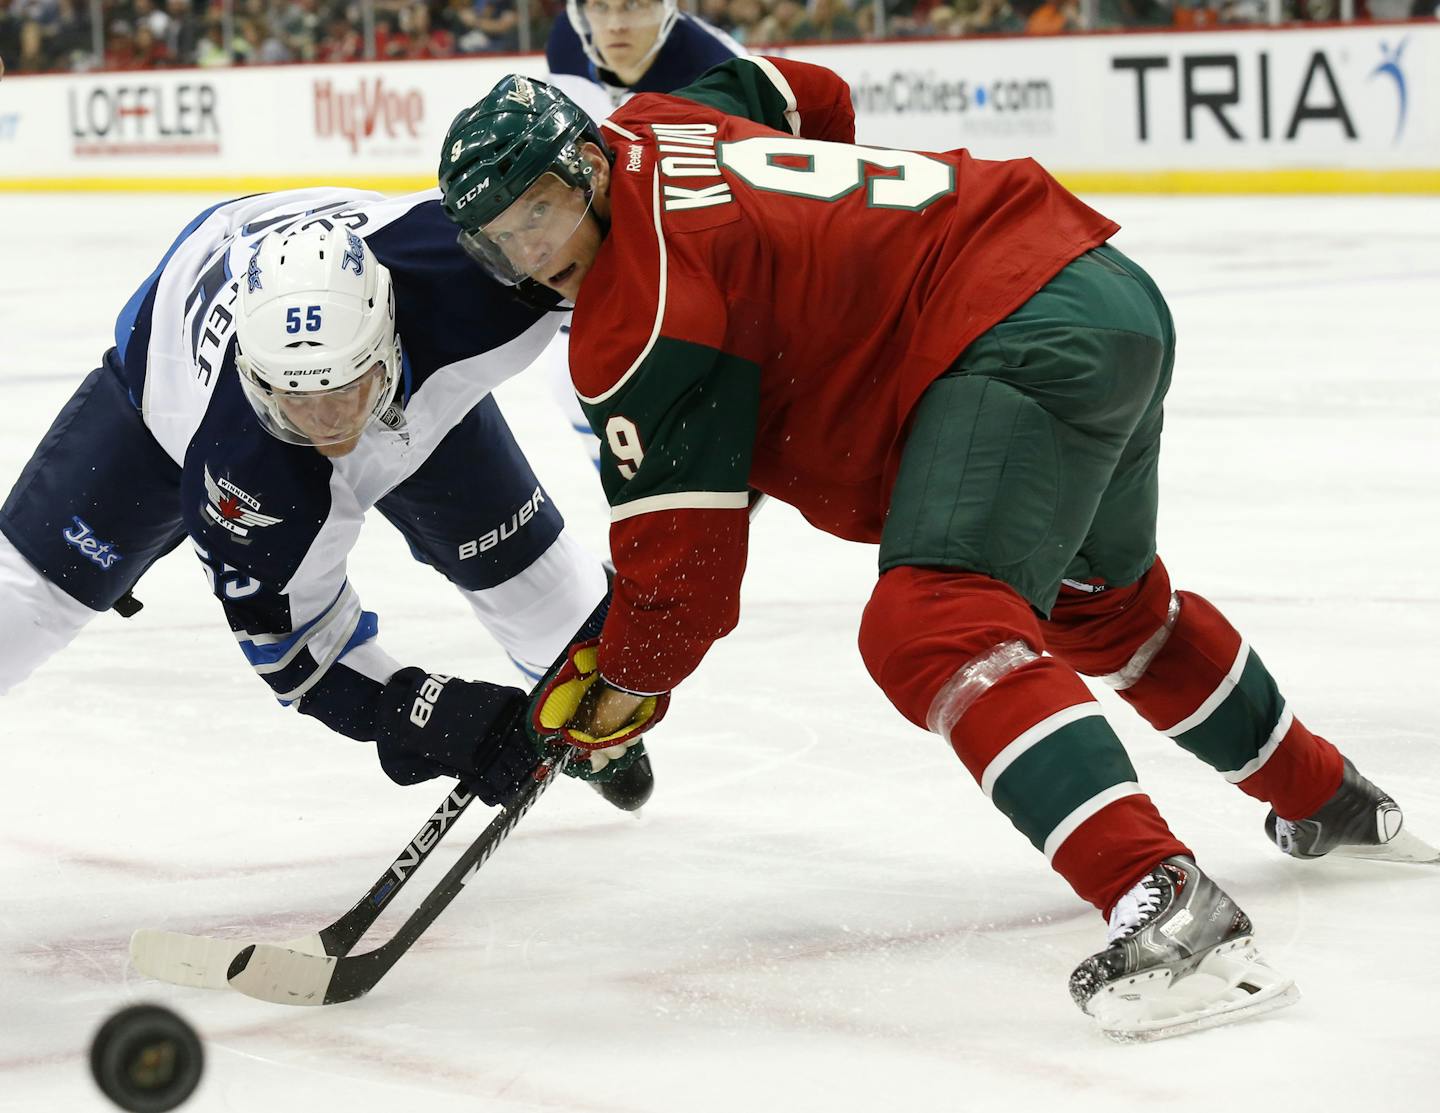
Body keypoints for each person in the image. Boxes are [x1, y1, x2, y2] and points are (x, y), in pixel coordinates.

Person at [438, 60, 1436, 1039]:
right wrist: (819, 266)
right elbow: (809, 95)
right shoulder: (659, 119)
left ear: (588, 169)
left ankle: (1173, 910)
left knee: (933, 623)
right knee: (1106, 608)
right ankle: (1333, 801)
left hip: (1007, 334)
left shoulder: (637, 318)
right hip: (1097, 288)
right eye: (504, 238)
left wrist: (622, 687)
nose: (533, 250)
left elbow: (687, 590)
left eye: (543, 210)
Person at [0, 189, 650, 811]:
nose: (326, 424)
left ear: (388, 343)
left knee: (572, 625)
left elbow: (628, 244)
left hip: (413, 406)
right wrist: (425, 713)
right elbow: (296, 653)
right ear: (256, 380)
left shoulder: (477, 278)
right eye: (295, 400)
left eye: (345, 390)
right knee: (18, 612)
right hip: (157, 399)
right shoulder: (248, 465)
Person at [540, 0, 746, 476]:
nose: (614, 24)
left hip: (702, 244)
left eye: (633, 6)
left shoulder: (722, 72)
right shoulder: (567, 41)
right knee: (569, 377)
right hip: (625, 231)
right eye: (601, 7)